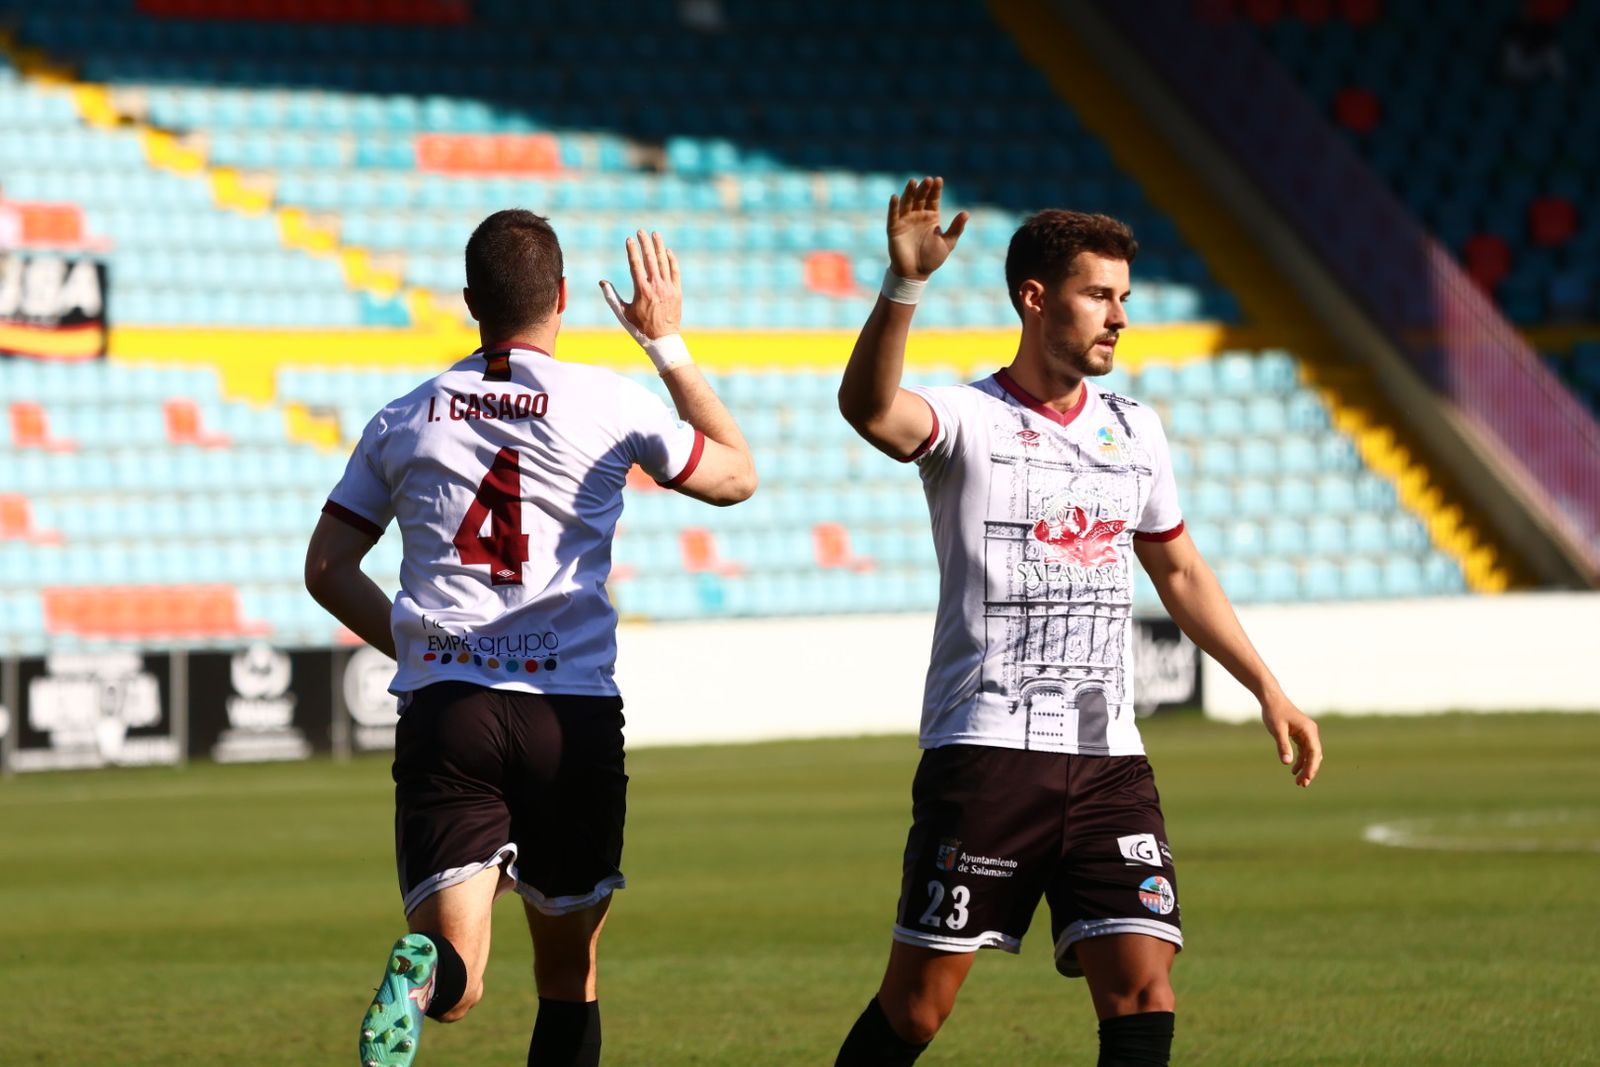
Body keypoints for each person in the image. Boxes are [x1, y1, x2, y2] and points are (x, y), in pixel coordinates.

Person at [831, 178, 1322, 1067]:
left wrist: (1269, 689)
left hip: (1109, 760)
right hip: (987, 754)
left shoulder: (1137, 430)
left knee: (1143, 990)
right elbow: (870, 409)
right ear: (1035, 298)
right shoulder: (967, 418)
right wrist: (905, 284)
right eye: (1099, 294)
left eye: (1123, 297)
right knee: (917, 1010)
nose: (1119, 316)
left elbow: (1179, 569)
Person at [304, 209, 756, 1067]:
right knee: (568, 974)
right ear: (561, 296)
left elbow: (327, 568)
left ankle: (427, 979)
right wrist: (664, 342)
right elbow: (736, 475)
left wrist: (422, 650)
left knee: (460, 977)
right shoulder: (609, 401)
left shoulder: (405, 415)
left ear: (471, 301)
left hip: (450, 709)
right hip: (567, 711)